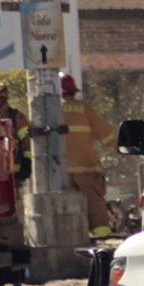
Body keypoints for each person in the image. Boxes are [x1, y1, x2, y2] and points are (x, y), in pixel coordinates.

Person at [61, 72, 115, 240]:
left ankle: (72, 238)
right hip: (87, 168)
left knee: (66, 208)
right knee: (94, 205)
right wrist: (123, 149)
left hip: (61, 172)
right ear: (74, 91)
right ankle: (102, 238)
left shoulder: (52, 111)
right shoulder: (85, 109)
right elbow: (107, 136)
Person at [0, 81, 31, 182]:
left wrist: (27, 162)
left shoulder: (16, 118)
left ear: (3, 99)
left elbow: (28, 142)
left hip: (15, 174)